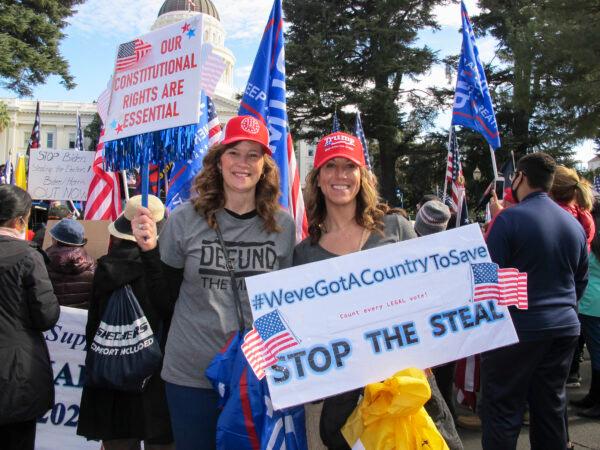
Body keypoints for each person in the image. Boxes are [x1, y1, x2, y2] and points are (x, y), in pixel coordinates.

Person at [131, 115, 296, 449]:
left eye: (253, 155)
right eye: (234, 152)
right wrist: (149, 252)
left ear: (265, 165)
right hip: (191, 374)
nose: (242, 163)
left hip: (255, 374)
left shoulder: (283, 225)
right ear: (218, 160)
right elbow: (164, 301)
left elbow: (286, 303)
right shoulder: (184, 219)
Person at [294, 132, 462, 450]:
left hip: (409, 386)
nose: (340, 175)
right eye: (330, 167)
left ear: (362, 176)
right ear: (317, 178)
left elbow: (433, 296)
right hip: (348, 399)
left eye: (349, 166)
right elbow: (307, 327)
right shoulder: (305, 253)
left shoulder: (396, 230)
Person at [481, 152, 588, 450]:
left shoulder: (509, 219)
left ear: (520, 178)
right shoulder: (573, 225)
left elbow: (488, 279)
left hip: (518, 329)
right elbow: (579, 280)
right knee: (550, 408)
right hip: (564, 327)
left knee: (502, 410)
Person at [77, 194, 174, 450]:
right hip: (157, 375)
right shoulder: (166, 271)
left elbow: (93, 327)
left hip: (112, 375)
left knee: (118, 442)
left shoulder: (105, 268)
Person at [0, 185, 60, 450]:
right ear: (20, 220)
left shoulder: (28, 255)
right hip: (16, 373)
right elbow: (46, 315)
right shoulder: (28, 256)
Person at [571, 199, 600, 418]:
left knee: (598, 355)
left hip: (593, 304)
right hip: (590, 303)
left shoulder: (595, 239)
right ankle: (594, 396)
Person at [45, 218, 96, 308]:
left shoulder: (42, 260)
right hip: (80, 318)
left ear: (55, 240)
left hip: (49, 316)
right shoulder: (92, 264)